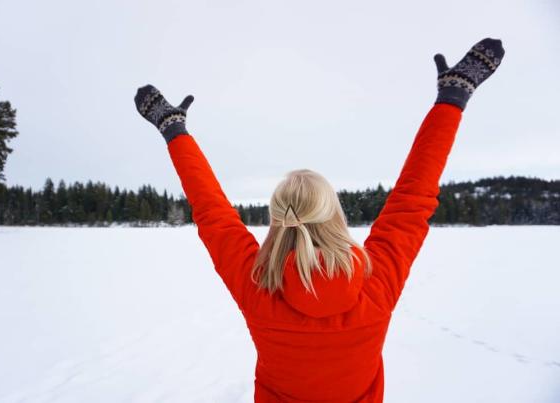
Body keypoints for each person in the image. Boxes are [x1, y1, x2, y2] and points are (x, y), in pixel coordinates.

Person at [134, 37, 505, 403]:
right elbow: (413, 198)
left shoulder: (258, 287)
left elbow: (211, 211)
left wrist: (174, 130)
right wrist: (451, 101)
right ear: (333, 215)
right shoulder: (375, 282)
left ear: (278, 219)